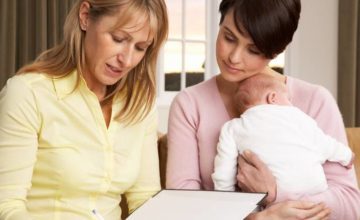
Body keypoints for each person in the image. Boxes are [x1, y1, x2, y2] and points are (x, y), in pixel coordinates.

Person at [166, 0, 360, 219]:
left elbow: (350, 205)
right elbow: (180, 208)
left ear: (276, 51)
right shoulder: (190, 105)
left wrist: (275, 194)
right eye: (229, 37)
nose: (234, 57)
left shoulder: (315, 100)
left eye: (253, 50)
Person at [0, 0, 168, 219]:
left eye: (140, 48)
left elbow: (145, 201)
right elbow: (7, 205)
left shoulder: (140, 104)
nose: (126, 60)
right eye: (118, 39)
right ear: (85, 16)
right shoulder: (28, 93)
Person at [212, 73, 354, 196]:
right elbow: (323, 143)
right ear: (273, 98)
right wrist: (346, 156)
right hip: (314, 190)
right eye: (288, 99)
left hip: (261, 196)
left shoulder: (233, 127)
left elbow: (224, 168)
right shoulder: (297, 115)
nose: (290, 103)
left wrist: (226, 193)